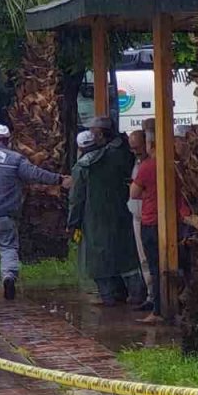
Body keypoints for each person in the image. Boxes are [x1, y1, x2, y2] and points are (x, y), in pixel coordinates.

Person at [0, 124, 69, 300]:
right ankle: (8, 275)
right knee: (7, 247)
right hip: (5, 213)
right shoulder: (15, 159)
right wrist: (59, 180)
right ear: (8, 140)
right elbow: (35, 174)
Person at [67, 117, 146, 307]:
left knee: (99, 260)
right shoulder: (120, 155)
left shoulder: (84, 166)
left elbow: (76, 199)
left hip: (94, 219)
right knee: (126, 257)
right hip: (121, 213)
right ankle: (137, 295)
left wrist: (72, 223)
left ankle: (109, 297)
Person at [131, 129, 192, 324]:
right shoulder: (180, 165)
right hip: (178, 220)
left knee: (156, 267)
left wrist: (147, 192)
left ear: (150, 144)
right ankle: (183, 304)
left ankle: (158, 310)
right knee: (184, 264)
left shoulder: (148, 166)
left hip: (151, 222)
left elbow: (134, 193)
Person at [126, 128, 153, 309]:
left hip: (149, 216)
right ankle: (150, 294)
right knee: (143, 258)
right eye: (132, 148)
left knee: (151, 257)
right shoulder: (136, 163)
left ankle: (155, 296)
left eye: (138, 147)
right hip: (137, 216)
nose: (135, 151)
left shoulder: (149, 164)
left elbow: (135, 192)